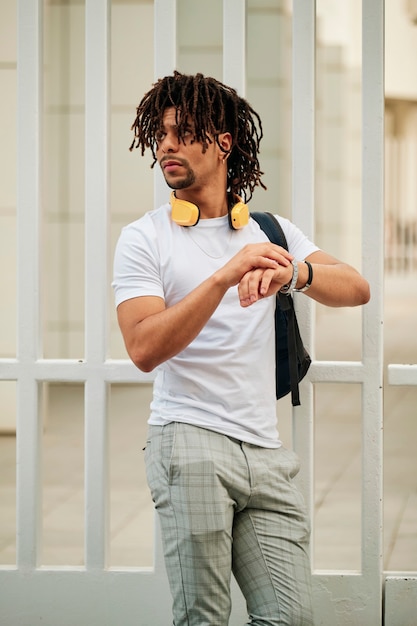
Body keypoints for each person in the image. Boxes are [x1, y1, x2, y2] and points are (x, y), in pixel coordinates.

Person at [112, 71, 370, 626]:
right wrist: (223, 277)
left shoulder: (271, 231)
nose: (166, 146)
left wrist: (294, 272)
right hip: (190, 443)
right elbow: (142, 346)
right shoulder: (145, 237)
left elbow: (357, 287)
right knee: (204, 618)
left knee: (290, 618)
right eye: (160, 136)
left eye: (182, 133)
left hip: (265, 451)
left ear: (223, 142)